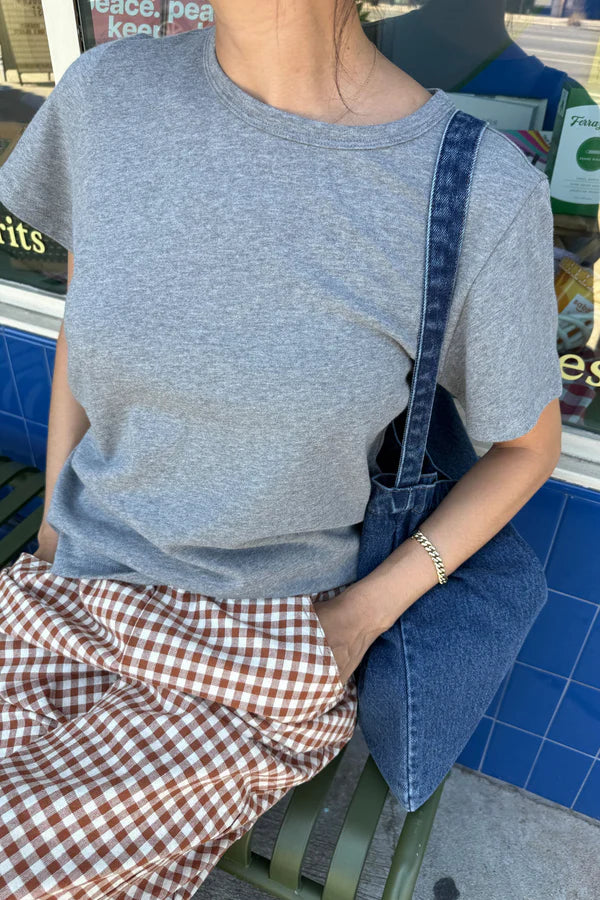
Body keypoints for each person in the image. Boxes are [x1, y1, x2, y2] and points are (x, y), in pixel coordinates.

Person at [0, 1, 563, 897]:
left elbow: (527, 449)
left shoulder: (473, 191)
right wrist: (53, 531)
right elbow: (84, 306)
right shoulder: (108, 95)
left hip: (255, 646)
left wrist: (361, 616)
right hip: (67, 591)